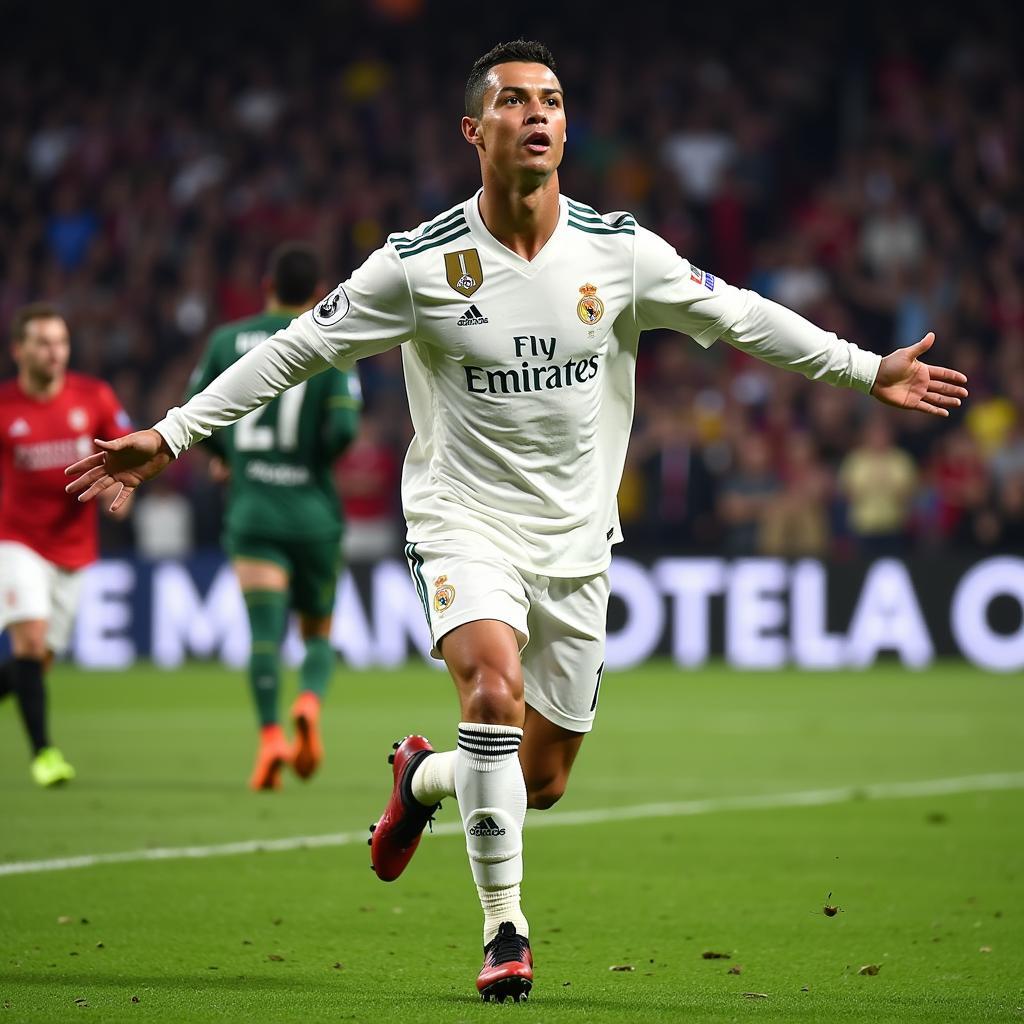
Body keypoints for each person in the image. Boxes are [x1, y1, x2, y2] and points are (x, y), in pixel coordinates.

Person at [65, 40, 969, 1003]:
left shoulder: (618, 253)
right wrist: (169, 434)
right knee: (491, 695)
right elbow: (294, 351)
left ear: (566, 127)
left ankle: (421, 780)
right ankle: (506, 932)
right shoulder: (417, 267)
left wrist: (866, 367)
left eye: (553, 100)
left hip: (577, 545)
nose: (538, 114)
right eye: (514, 102)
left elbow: (740, 315)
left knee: (537, 781)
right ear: (475, 130)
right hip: (464, 523)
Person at [185, 243, 361, 790]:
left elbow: (197, 414)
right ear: (315, 295)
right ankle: (308, 702)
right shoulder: (329, 342)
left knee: (264, 634)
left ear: (267, 285)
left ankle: (268, 741)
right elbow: (345, 431)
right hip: (312, 513)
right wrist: (311, 461)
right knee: (316, 633)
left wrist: (227, 460)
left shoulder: (225, 341)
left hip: (253, 509)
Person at [1, 303, 130, 786]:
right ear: (19, 350)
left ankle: (41, 743)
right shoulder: (5, 407)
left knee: (35, 663)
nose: (54, 352)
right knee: (30, 641)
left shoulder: (93, 397)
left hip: (74, 549)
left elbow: (125, 454)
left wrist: (125, 487)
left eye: (60, 342)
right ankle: (45, 755)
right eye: (42, 342)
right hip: (16, 542)